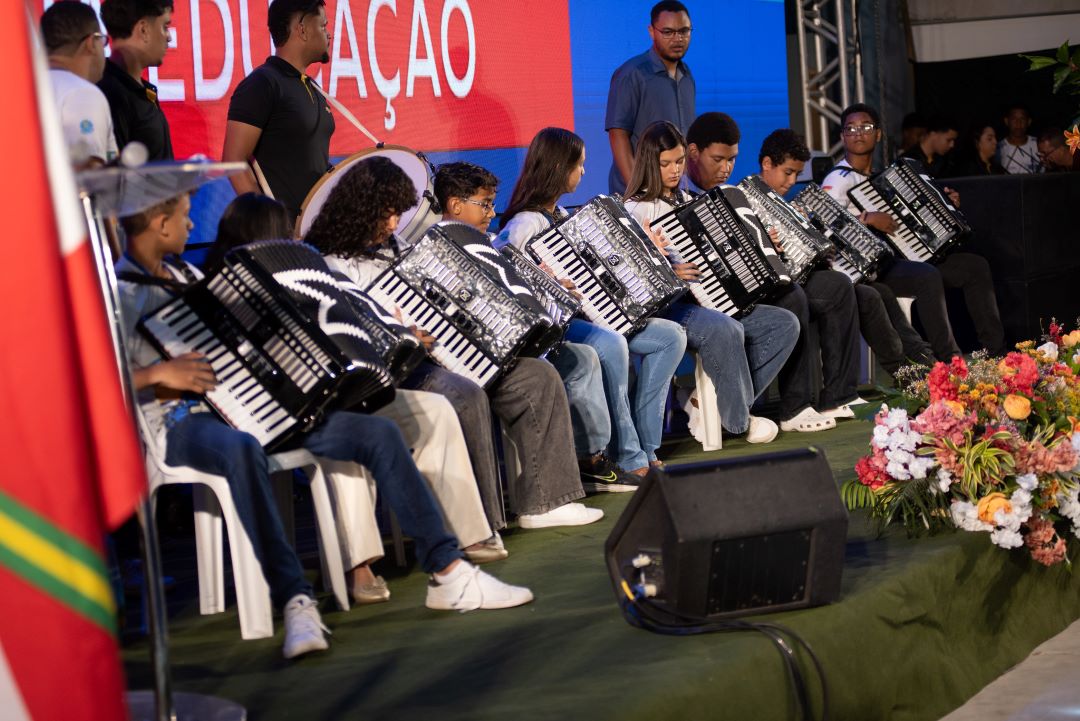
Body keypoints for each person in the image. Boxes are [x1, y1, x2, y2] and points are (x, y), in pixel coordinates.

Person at [116, 193, 534, 657]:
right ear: (159, 223)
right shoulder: (119, 294)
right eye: (183, 216)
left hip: (254, 406)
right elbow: (86, 376)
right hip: (179, 420)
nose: (193, 224)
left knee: (376, 430)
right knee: (239, 449)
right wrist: (155, 374)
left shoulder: (188, 277)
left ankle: (449, 572)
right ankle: (295, 598)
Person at [203, 193, 509, 578]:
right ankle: (358, 564)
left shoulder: (307, 273)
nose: (290, 242)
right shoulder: (220, 291)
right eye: (280, 234)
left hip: (336, 396)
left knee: (434, 410)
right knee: (352, 430)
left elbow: (350, 314)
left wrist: (393, 333)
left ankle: (467, 533)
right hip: (278, 415)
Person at [305, 156, 605, 529]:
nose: (394, 224)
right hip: (408, 370)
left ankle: (545, 502)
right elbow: (348, 336)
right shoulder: (331, 264)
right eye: (386, 215)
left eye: (397, 214)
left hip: (455, 352)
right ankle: (480, 525)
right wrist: (400, 337)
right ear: (358, 211)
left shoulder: (400, 248)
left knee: (537, 375)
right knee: (465, 395)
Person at [434, 161, 634, 492]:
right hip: (475, 357)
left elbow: (522, 289)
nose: (490, 212)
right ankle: (557, 479)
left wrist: (552, 287)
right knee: (551, 369)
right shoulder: (439, 249)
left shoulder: (492, 242)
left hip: (515, 347)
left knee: (581, 357)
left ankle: (590, 457)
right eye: (483, 204)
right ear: (455, 205)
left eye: (491, 203)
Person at [496, 127, 688, 471]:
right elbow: (507, 276)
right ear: (558, 168)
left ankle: (646, 443)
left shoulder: (564, 217)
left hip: (594, 315)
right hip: (563, 327)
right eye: (578, 165)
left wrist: (649, 251)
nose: (584, 171)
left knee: (670, 337)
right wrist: (548, 285)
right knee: (612, 343)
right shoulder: (525, 223)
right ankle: (628, 455)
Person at [622, 121, 798, 442]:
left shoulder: (691, 200)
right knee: (725, 328)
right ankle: (737, 420)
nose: (675, 170)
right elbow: (629, 278)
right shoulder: (635, 208)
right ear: (650, 162)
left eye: (678, 162)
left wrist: (762, 246)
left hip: (710, 299)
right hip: (669, 310)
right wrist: (669, 273)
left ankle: (708, 404)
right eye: (665, 164)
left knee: (783, 323)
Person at [684, 112, 859, 431]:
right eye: (718, 159)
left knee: (835, 285)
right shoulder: (680, 199)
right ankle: (793, 407)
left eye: (732, 160)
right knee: (792, 298)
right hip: (702, 304)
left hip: (737, 291)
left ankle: (836, 395)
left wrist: (764, 244)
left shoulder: (727, 194)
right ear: (693, 153)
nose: (726, 169)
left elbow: (738, 253)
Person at [823, 103, 1005, 358]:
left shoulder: (880, 176)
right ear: (842, 136)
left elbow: (910, 218)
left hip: (905, 256)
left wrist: (944, 202)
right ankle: (949, 359)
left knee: (975, 266)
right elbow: (824, 224)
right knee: (926, 275)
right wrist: (866, 218)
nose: (857, 133)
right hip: (873, 269)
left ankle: (995, 353)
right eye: (850, 128)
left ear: (878, 134)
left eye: (865, 127)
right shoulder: (837, 179)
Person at [758, 129, 933, 375]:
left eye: (796, 174)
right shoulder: (750, 198)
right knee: (866, 295)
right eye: (788, 173)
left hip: (817, 280)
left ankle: (922, 361)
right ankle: (905, 373)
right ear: (767, 164)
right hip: (791, 291)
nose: (791, 181)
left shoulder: (788, 203)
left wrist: (820, 251)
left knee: (880, 291)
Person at [223, 0, 334, 222]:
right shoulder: (263, 83)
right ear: (302, 29)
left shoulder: (312, 87)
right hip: (284, 240)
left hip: (317, 233)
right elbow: (233, 160)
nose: (329, 34)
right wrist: (269, 226)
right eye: (323, 26)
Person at [605, 1, 695, 195]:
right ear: (652, 31)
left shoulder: (688, 76)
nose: (678, 38)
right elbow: (617, 134)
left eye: (684, 31)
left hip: (672, 194)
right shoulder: (632, 74)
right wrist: (635, 192)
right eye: (668, 32)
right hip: (639, 195)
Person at [41, 1, 116, 168]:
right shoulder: (82, 94)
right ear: (91, 43)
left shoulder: (21, 90)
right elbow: (89, 180)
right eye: (102, 41)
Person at [97, 0, 174, 160]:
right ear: (144, 29)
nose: (169, 37)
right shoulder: (111, 95)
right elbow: (115, 177)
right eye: (165, 27)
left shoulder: (141, 90)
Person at [997, 103, 1043, 174]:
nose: (1018, 123)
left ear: (1029, 121)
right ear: (1006, 121)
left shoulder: (1040, 144)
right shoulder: (998, 149)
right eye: (1014, 119)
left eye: (1022, 119)